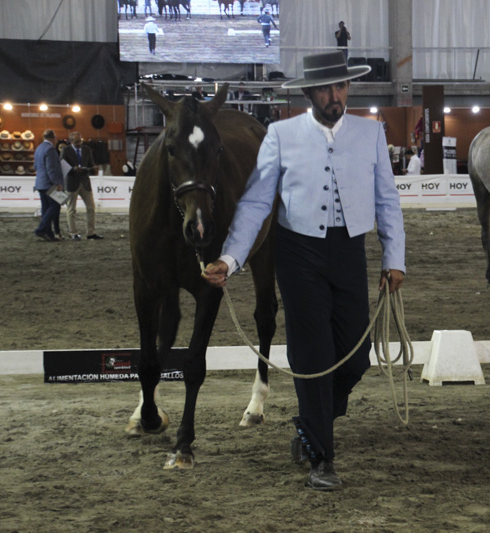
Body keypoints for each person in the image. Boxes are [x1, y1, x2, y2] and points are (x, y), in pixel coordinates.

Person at [202, 51, 405, 491]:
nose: (336, 96)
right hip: (297, 254)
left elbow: (387, 199)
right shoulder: (280, 135)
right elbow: (256, 202)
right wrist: (230, 259)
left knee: (355, 356)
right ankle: (321, 456)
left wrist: (394, 258)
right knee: (312, 354)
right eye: (327, 89)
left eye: (342, 87)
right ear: (310, 92)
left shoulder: (371, 134)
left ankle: (310, 422)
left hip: (350, 251)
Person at [59, 132, 103, 240]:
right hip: (71, 183)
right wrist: (73, 169)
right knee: (71, 209)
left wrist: (93, 168)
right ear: (71, 141)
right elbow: (62, 165)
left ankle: (91, 232)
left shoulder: (86, 149)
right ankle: (73, 233)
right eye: (76, 142)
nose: (79, 143)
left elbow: (90, 163)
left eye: (80, 141)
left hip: (85, 182)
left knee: (91, 208)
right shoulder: (66, 150)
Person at [33, 129, 65, 242]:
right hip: (49, 183)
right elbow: (51, 168)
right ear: (53, 138)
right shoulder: (50, 149)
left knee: (46, 208)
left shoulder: (38, 148)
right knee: (55, 206)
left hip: (40, 183)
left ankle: (49, 233)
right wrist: (57, 183)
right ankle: (41, 229)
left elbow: (35, 167)